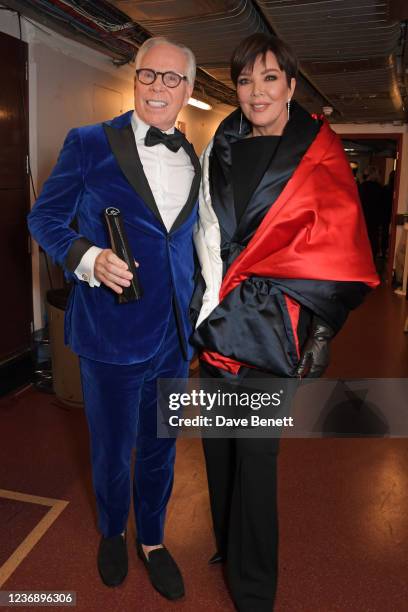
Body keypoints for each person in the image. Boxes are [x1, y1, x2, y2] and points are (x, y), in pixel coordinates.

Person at [192, 33, 379, 611]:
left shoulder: (318, 156)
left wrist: (321, 334)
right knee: (218, 447)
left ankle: (254, 589)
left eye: (270, 78)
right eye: (246, 81)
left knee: (256, 455)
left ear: (292, 87)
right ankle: (228, 546)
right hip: (217, 322)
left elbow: (342, 254)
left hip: (277, 329)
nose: (257, 91)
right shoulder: (218, 150)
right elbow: (207, 238)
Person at [28, 37, 200, 600]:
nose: (158, 87)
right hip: (112, 330)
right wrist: (86, 257)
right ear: (135, 79)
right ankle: (112, 529)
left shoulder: (193, 154)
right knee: (110, 448)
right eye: (149, 75)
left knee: (160, 447)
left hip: (175, 335)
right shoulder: (88, 143)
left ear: (189, 90)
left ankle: (152, 538)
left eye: (172, 79)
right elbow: (44, 217)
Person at [358, 165, 384, 258]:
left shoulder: (362, 187)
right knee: (373, 239)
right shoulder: (380, 188)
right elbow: (382, 206)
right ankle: (372, 258)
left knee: (363, 239)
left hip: (363, 217)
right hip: (375, 219)